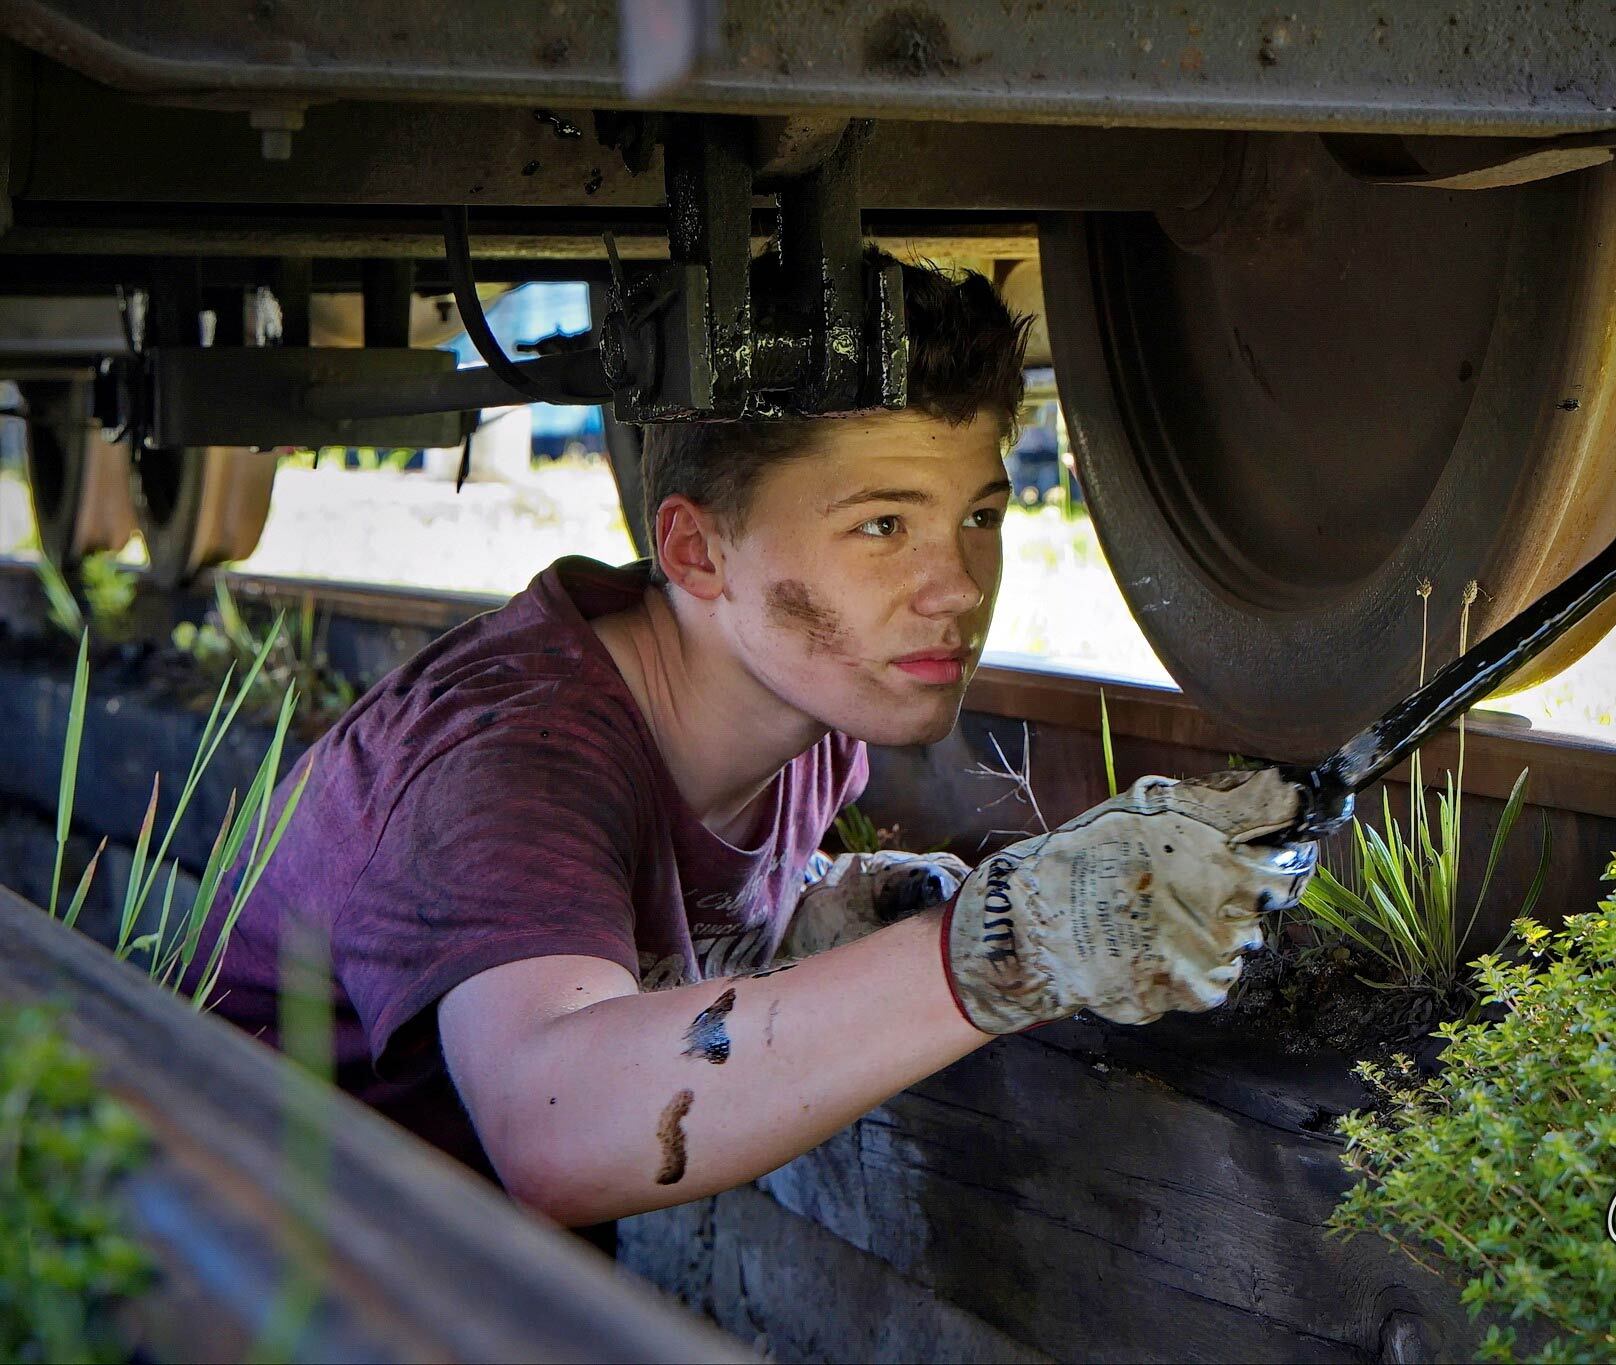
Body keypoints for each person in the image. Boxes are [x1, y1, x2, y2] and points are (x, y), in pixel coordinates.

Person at [189, 249, 1326, 1244]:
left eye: (978, 515)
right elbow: (553, 1127)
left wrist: (821, 907)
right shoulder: (507, 762)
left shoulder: (800, 707)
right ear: (694, 552)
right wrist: (1008, 945)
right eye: (882, 526)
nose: (957, 588)